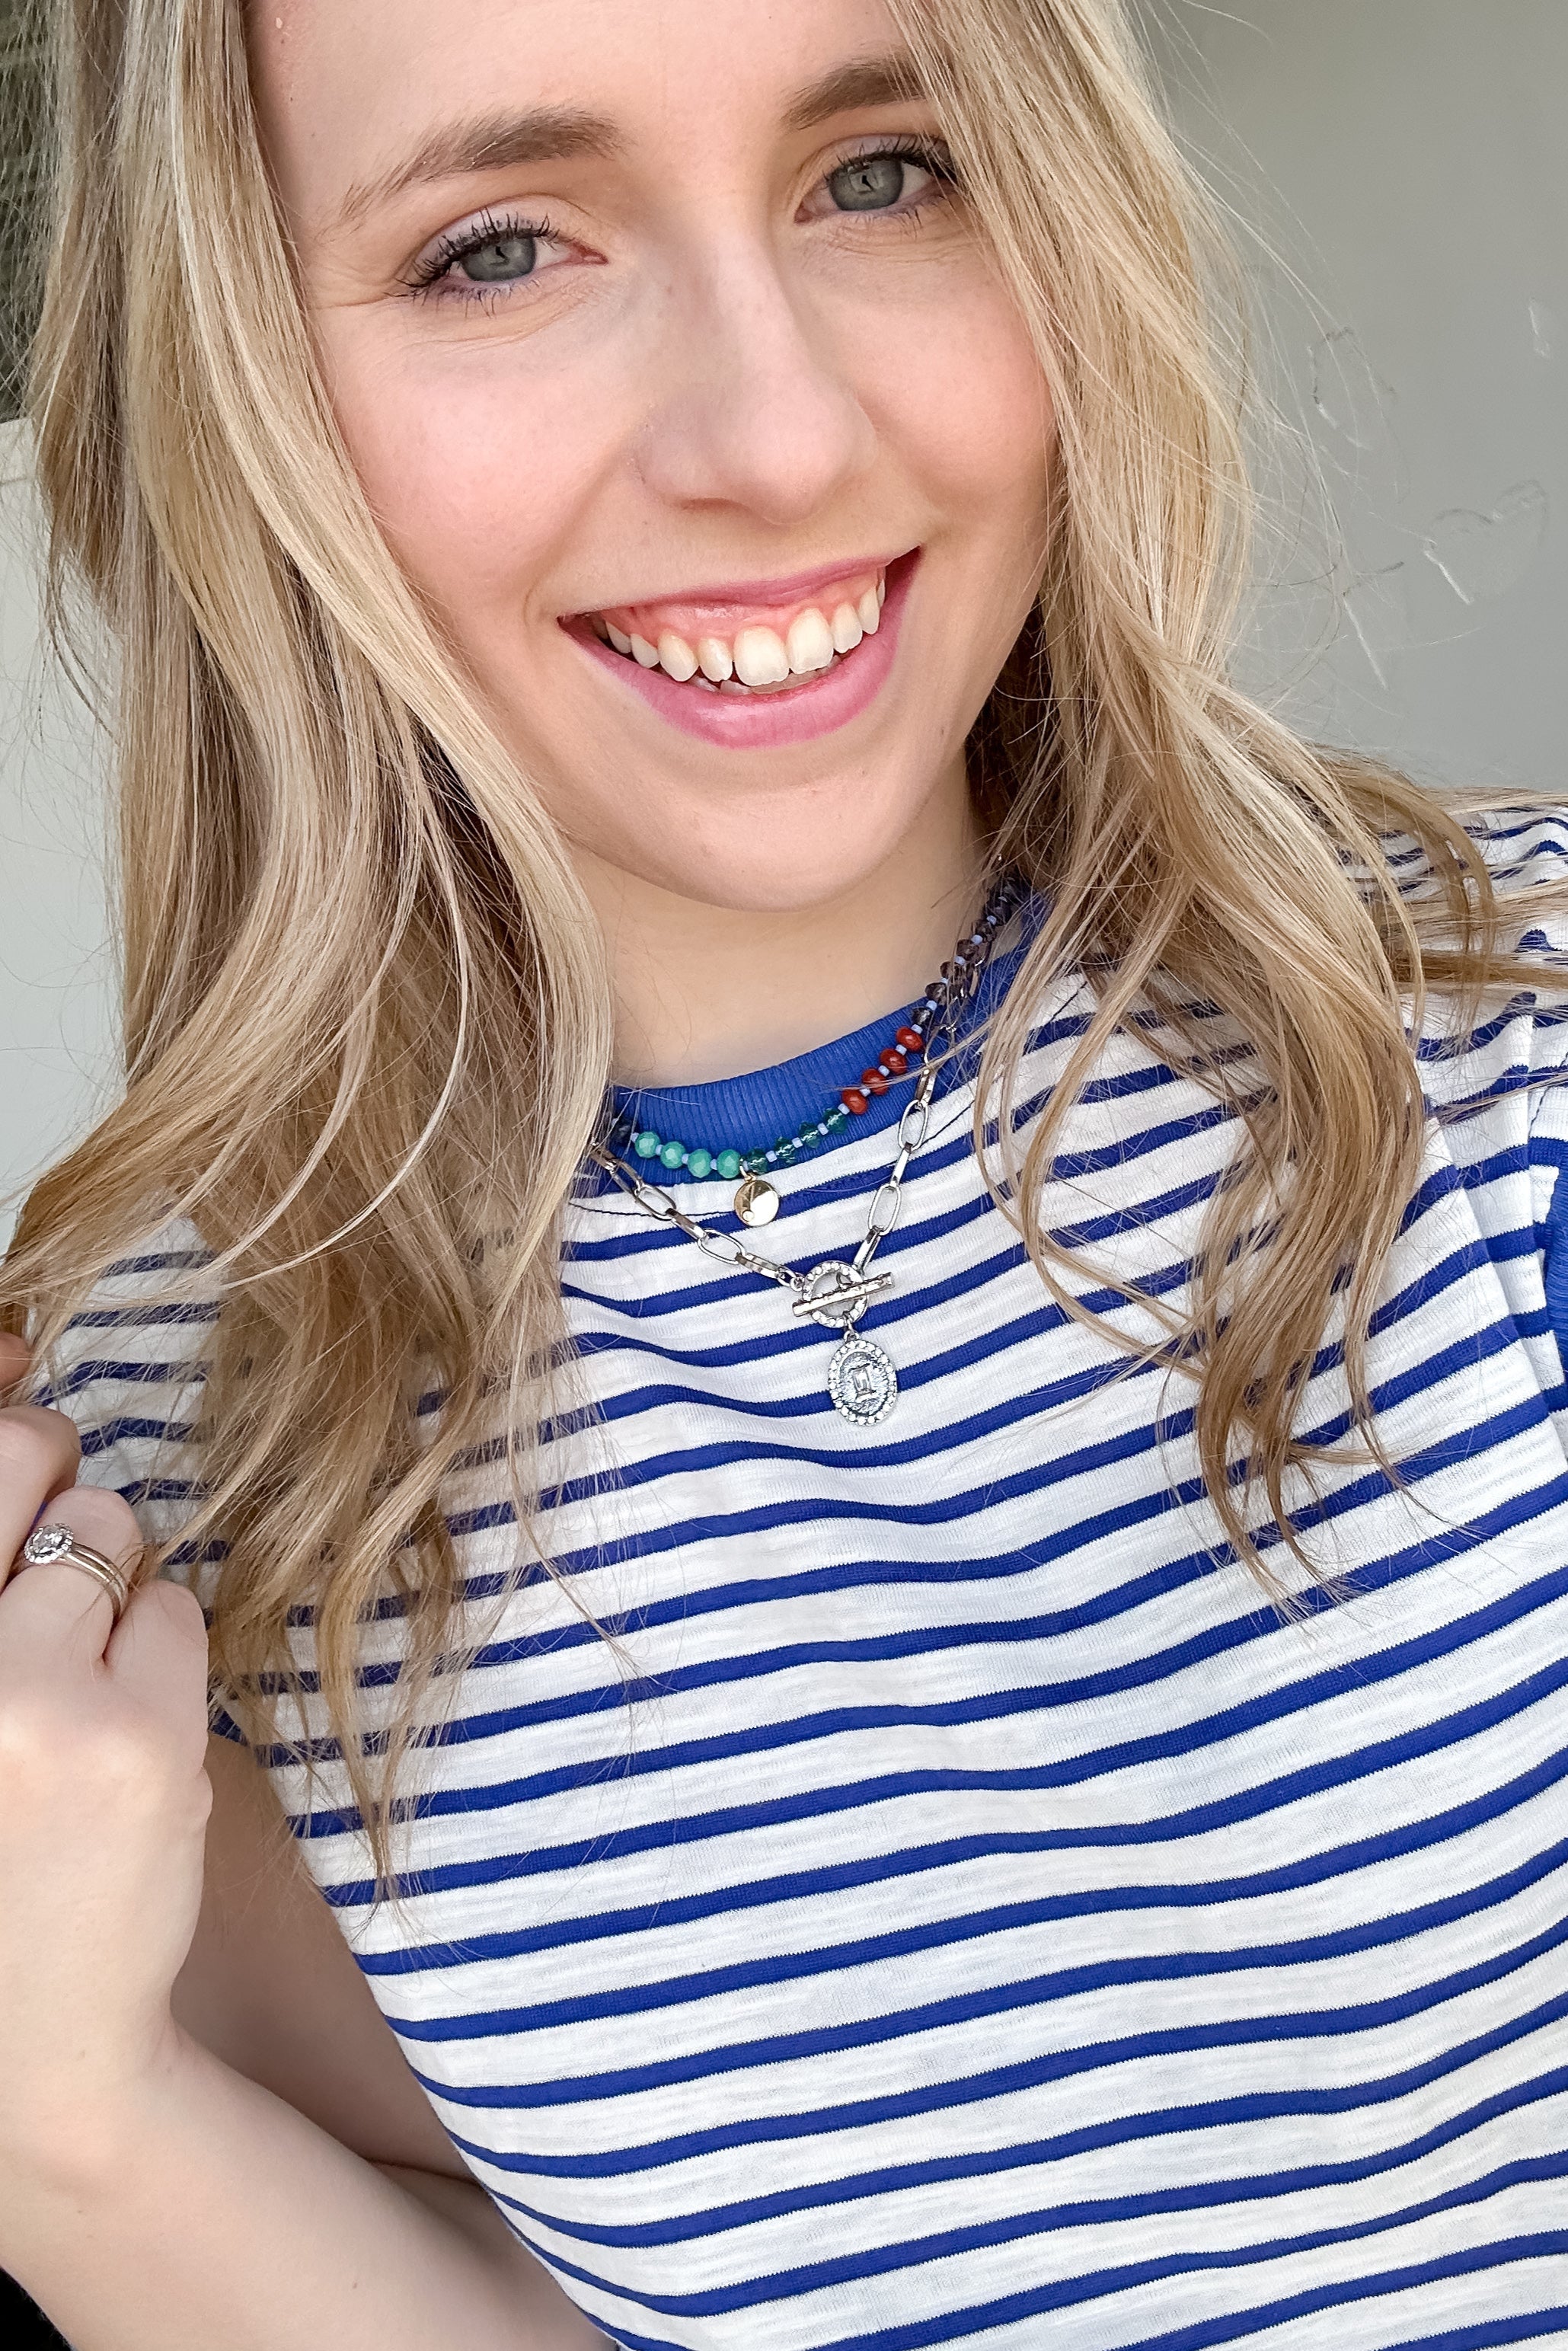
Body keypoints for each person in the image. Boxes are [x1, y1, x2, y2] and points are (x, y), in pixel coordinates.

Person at [1, 0, 1565, 2344]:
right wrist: (65, 2121)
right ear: (241, 388)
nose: (780, 433)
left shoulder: (1506, 1056)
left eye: (882, 173)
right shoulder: (136, 1473)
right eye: (501, 246)